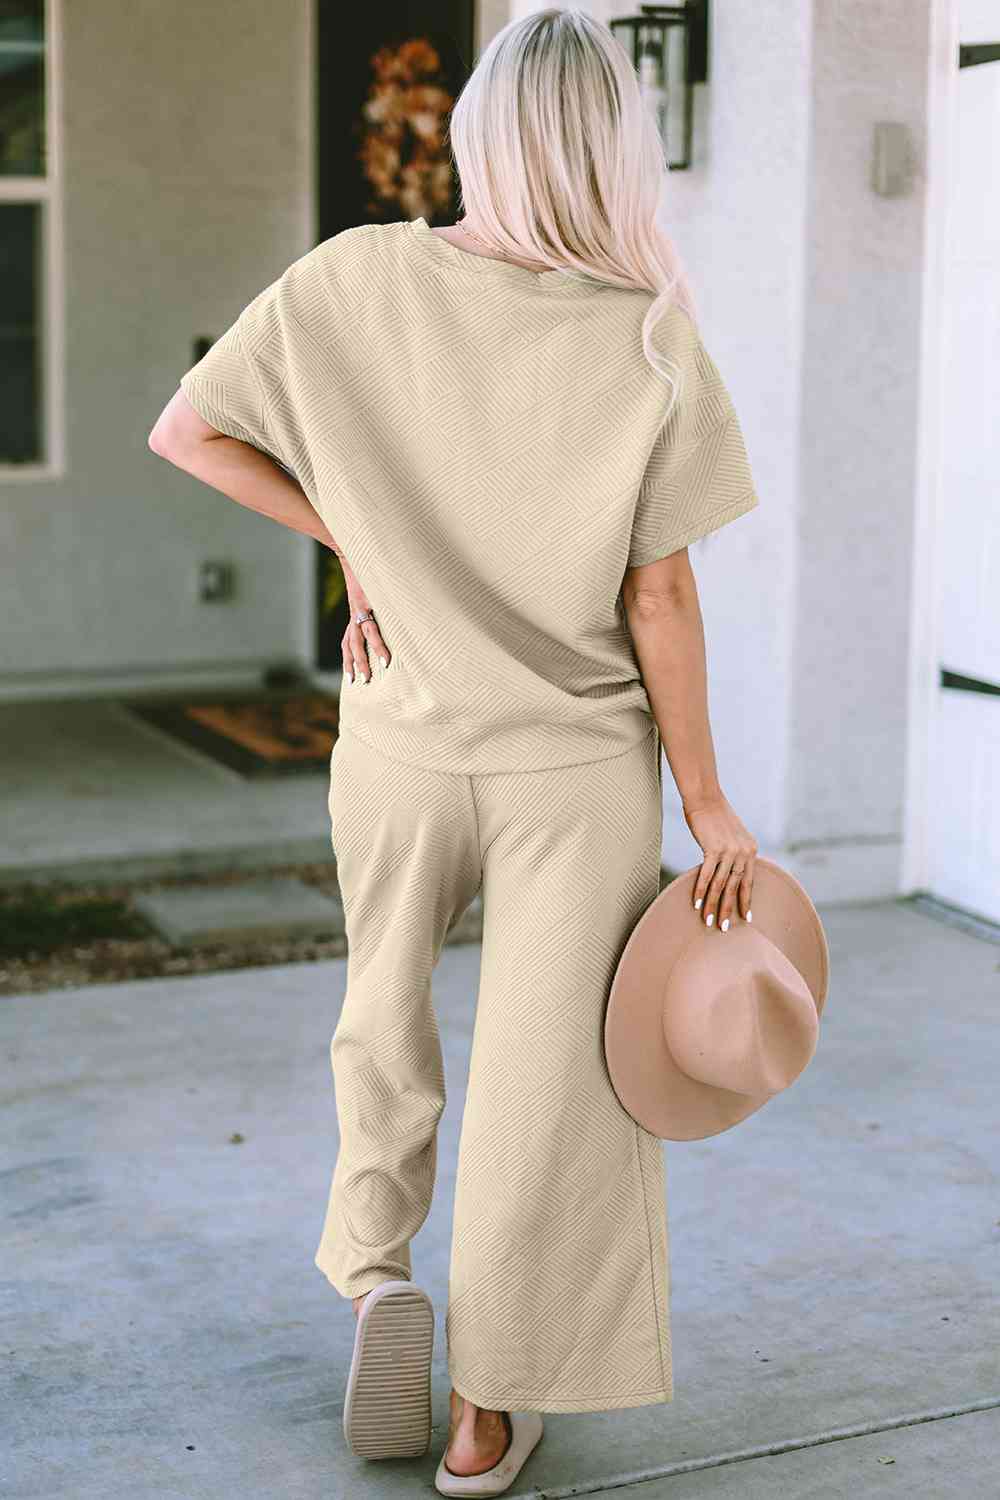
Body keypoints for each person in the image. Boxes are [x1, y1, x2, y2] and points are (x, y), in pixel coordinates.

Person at [149, 6, 760, 1491]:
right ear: (610, 149)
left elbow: (190, 432)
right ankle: (489, 1409)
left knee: (383, 1016)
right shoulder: (645, 333)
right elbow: (660, 598)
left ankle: (376, 1275)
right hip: (576, 770)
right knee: (552, 1081)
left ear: (478, 135)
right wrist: (710, 805)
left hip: (403, 738)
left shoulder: (358, 278)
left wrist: (355, 536)